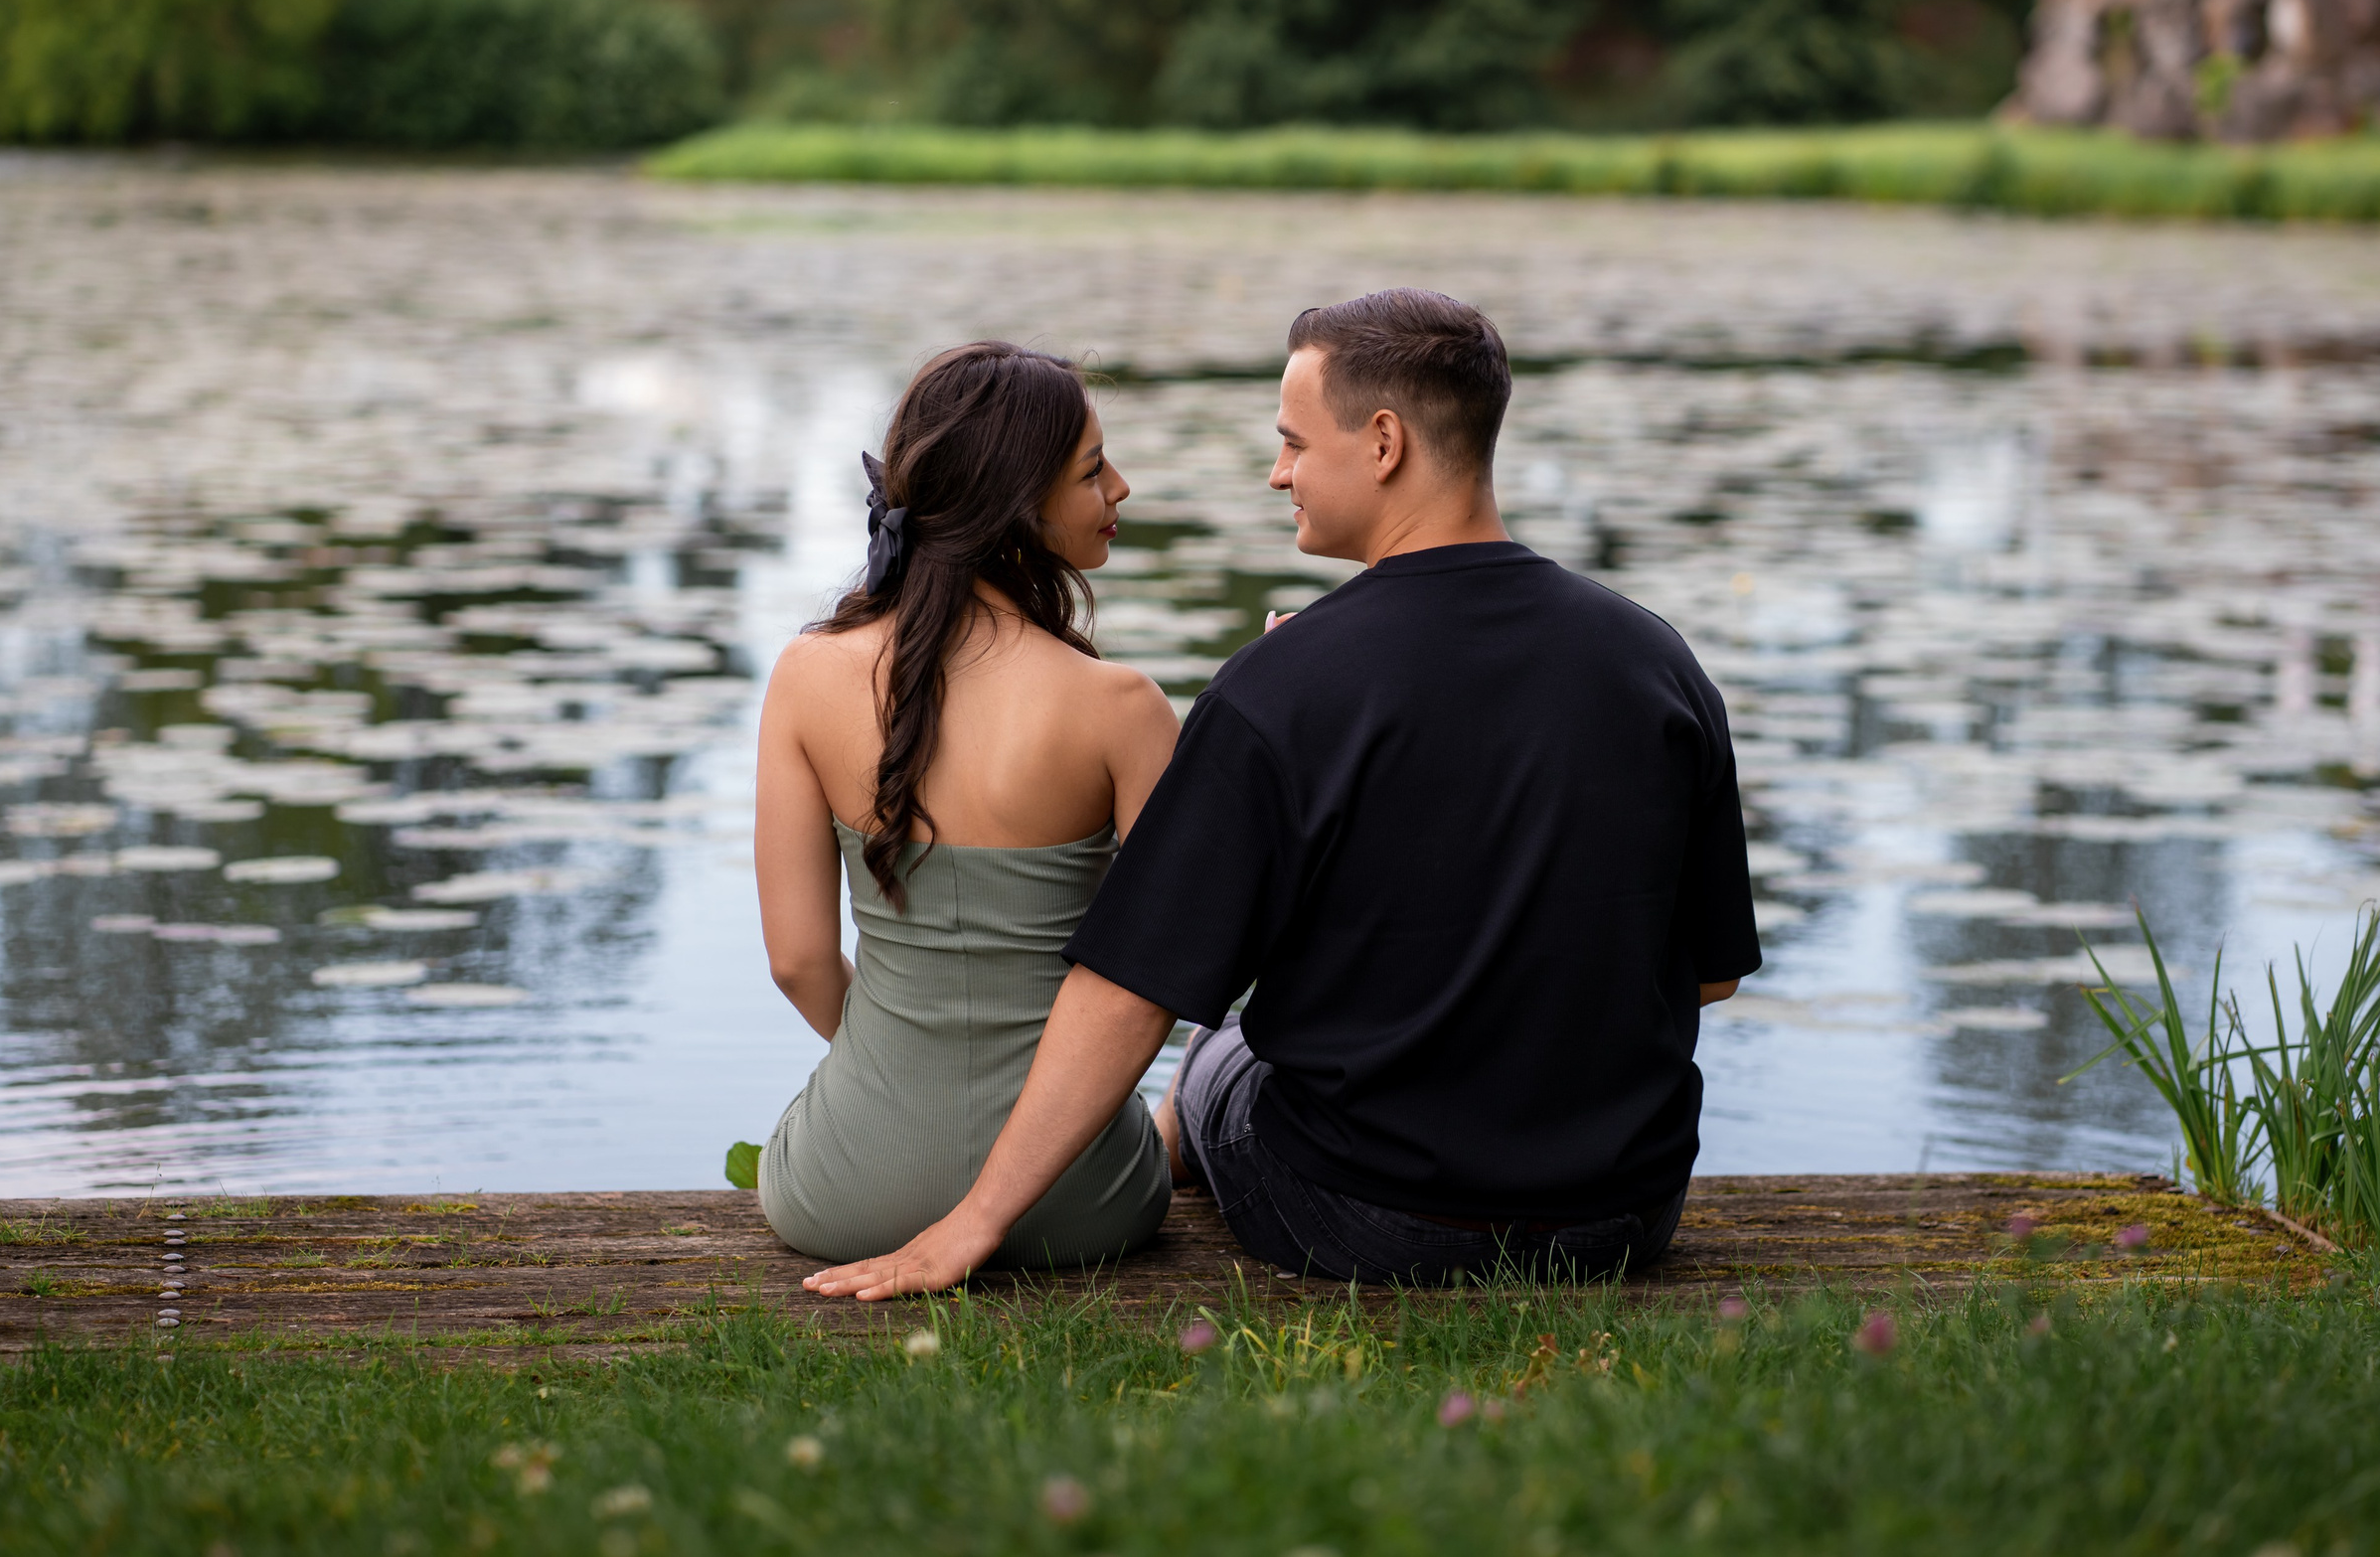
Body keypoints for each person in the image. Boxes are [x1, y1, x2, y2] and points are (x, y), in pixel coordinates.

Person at [803, 289, 1758, 1299]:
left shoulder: (1282, 687)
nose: (1278, 472)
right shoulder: (1656, 659)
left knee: (1222, 1047)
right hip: (1622, 1212)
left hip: (1367, 1213)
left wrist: (970, 1224)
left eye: (1294, 441)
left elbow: (1132, 989)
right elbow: (1706, 978)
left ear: (1383, 441)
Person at [752, 340, 1178, 1268]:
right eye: (1093, 470)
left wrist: (896, 1079)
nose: (1122, 489)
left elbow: (797, 961)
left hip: (847, 1189)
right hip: (1082, 1202)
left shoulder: (803, 676)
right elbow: (1160, 977)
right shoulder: (1124, 711)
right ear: (1018, 503)